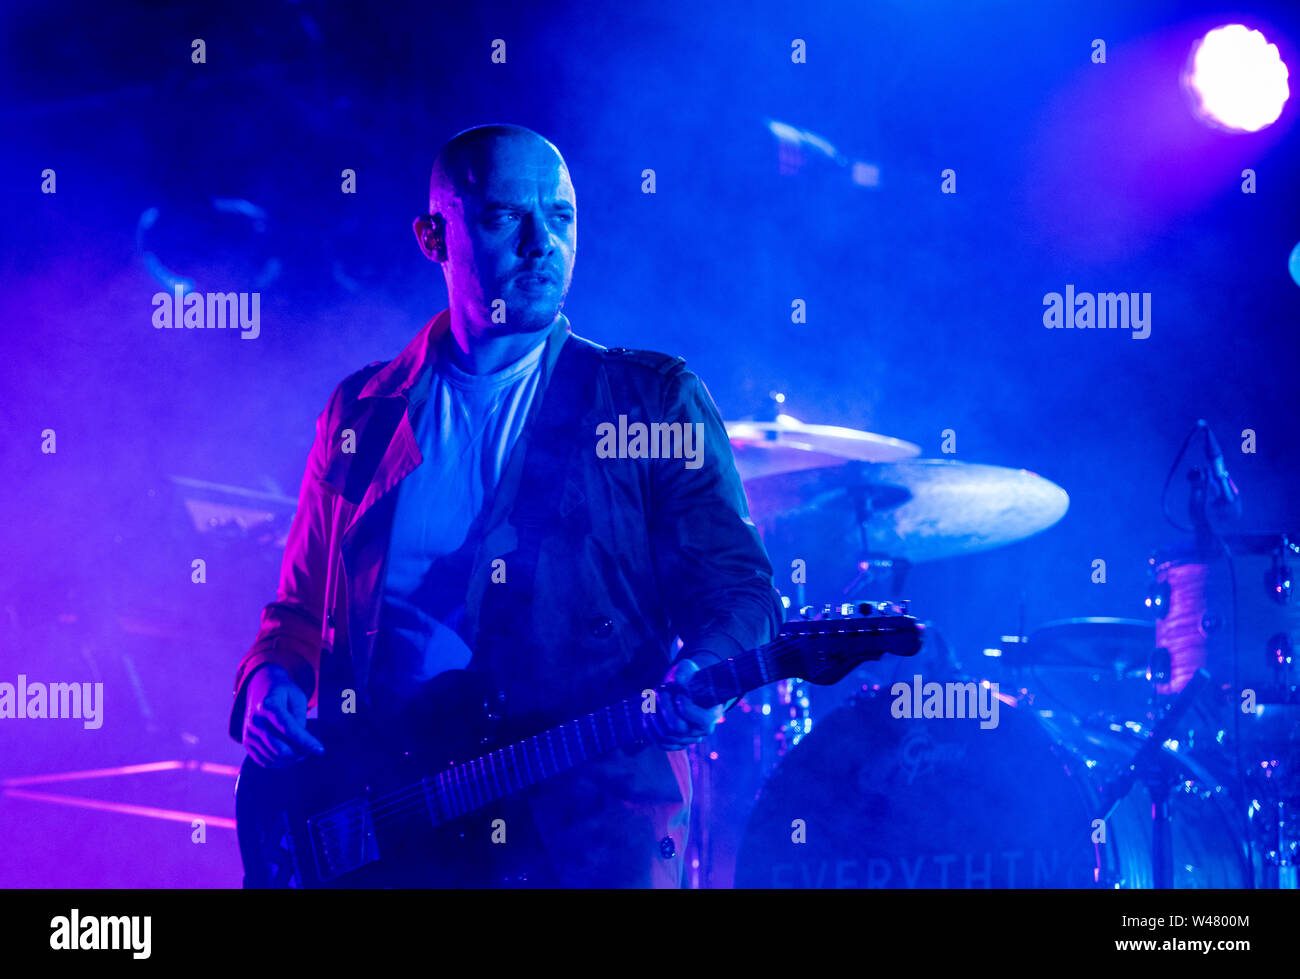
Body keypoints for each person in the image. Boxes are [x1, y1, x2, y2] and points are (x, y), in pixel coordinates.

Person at [228, 123, 782, 887]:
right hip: (391, 826)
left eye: (560, 216)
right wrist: (268, 681)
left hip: (579, 827)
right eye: (503, 217)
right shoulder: (363, 411)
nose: (541, 244)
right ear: (433, 236)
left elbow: (741, 591)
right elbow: (298, 608)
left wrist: (711, 665)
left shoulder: (649, 401)